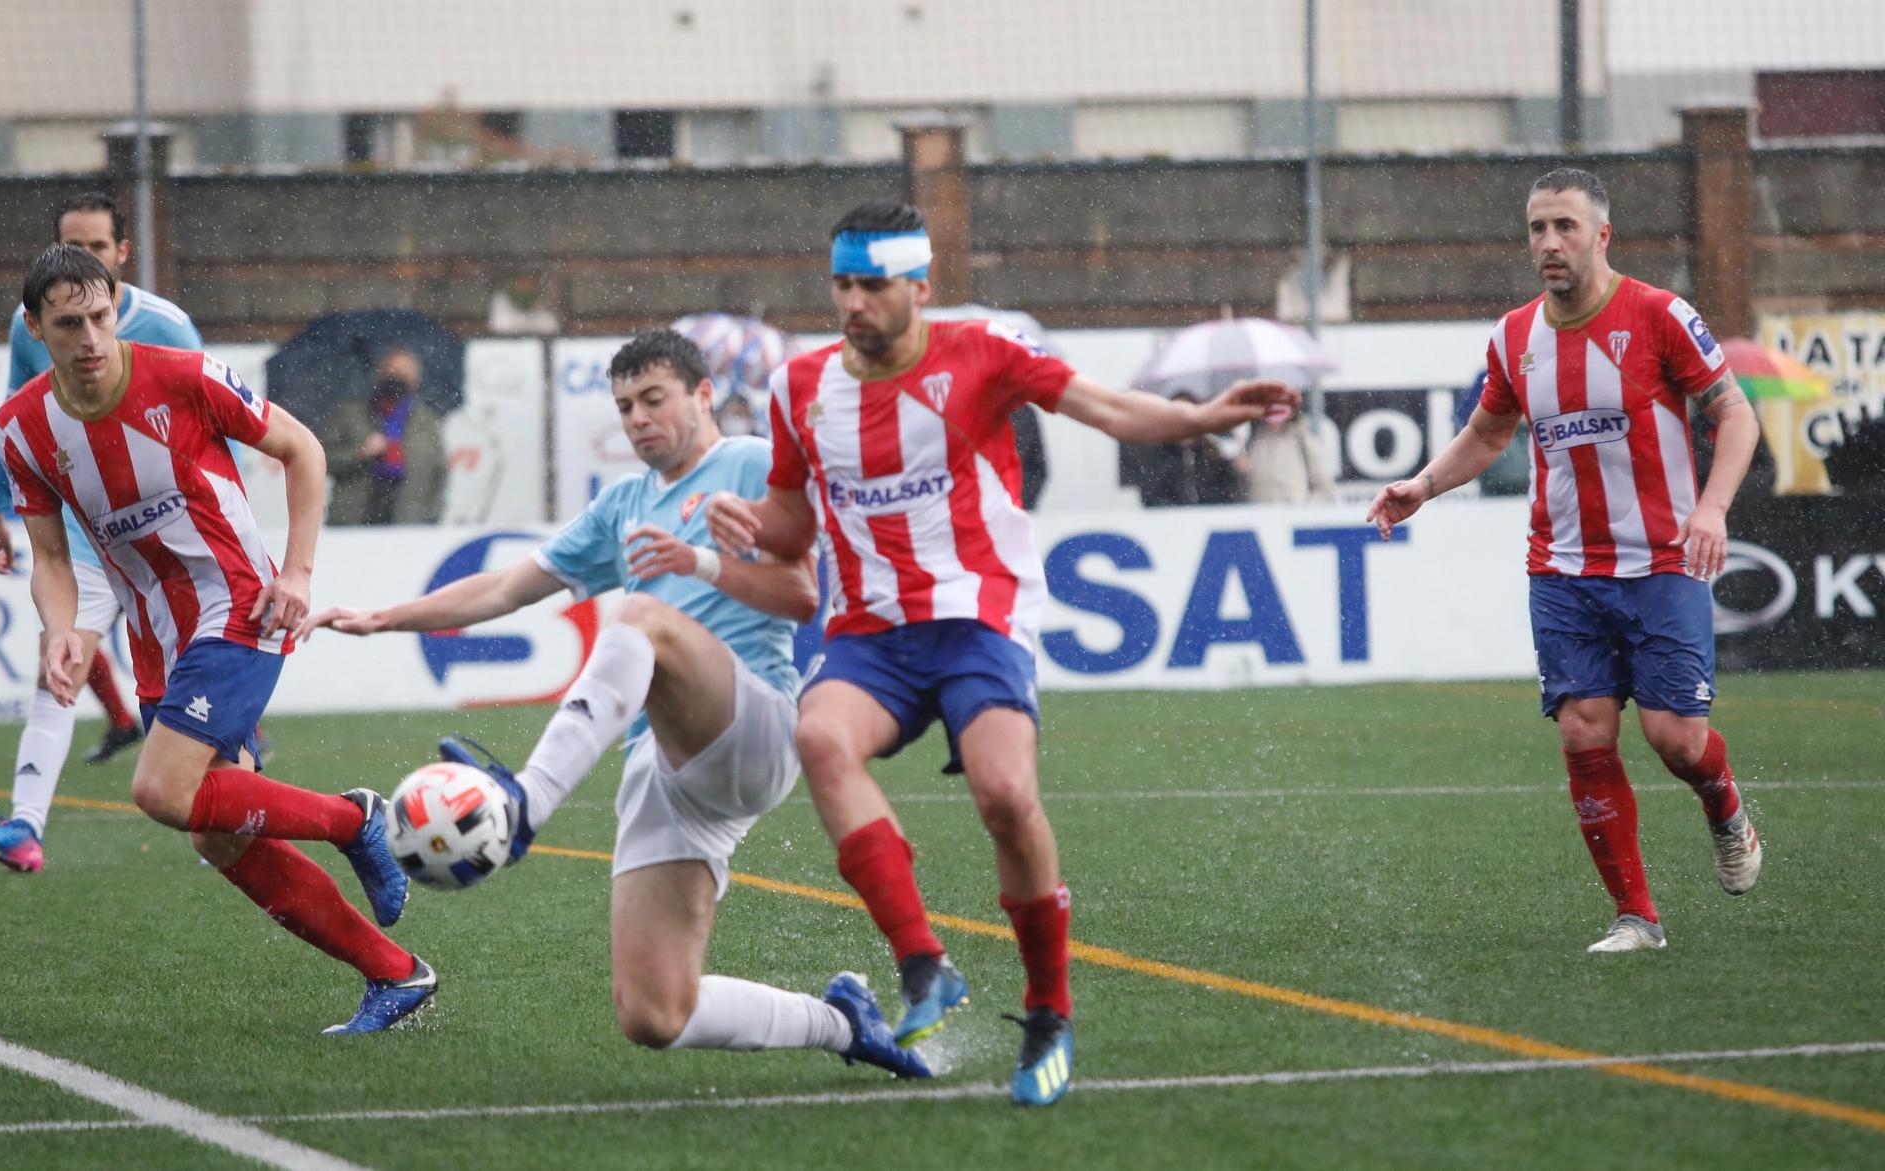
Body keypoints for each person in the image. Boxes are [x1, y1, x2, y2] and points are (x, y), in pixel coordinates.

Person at [705, 200, 1298, 1106]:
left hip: (978, 617)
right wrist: (750, 525)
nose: (853, 302)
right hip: (869, 629)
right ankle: (922, 965)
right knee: (820, 739)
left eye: (872, 285)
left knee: (1008, 797)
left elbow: (1107, 409)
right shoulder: (800, 387)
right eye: (842, 284)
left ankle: (1049, 1011)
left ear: (919, 286)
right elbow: (793, 518)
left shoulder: (981, 354)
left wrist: (1202, 416)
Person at [303, 328, 929, 1078]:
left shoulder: (753, 462)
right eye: (625, 405)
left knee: (638, 617)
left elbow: (803, 594)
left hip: (753, 726)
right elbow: (506, 586)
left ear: (704, 395)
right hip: (663, 767)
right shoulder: (625, 504)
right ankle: (840, 1021)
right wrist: (385, 617)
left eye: (654, 398)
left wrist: (702, 561)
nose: (637, 418)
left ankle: (525, 805)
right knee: (656, 1010)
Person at [0, 244, 428, 1033]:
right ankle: (394, 974)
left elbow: (303, 449)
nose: (89, 337)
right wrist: (62, 628)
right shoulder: (22, 429)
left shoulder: (182, 377)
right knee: (216, 834)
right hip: (157, 635)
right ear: (35, 327)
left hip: (239, 607)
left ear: (117, 306)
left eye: (100, 316)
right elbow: (53, 557)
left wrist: (296, 573)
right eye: (67, 324)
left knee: (160, 791)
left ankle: (356, 819)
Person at [1365, 168, 1764, 955]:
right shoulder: (1516, 336)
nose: (1549, 242)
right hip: (1562, 567)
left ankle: (1726, 811)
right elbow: (1487, 432)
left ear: (1602, 235)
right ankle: (1636, 917)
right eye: (1538, 228)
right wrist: (1423, 485)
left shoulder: (1659, 316)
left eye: (1565, 227)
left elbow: (1734, 412)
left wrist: (1711, 508)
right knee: (1585, 731)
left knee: (1676, 740)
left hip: (1660, 562)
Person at [0, 193, 204, 875]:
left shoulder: (168, 327)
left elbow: (221, 432)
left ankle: (237, 820)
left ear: (122, 253)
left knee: (198, 705)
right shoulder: (31, 327)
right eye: (74, 246)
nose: (86, 259)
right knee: (58, 662)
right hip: (82, 539)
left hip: (170, 543)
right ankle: (25, 825)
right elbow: (13, 417)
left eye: (99, 247)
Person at [322, 348, 448, 526]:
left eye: (405, 373)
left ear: (416, 380)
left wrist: (430, 515)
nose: (397, 378)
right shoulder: (351, 414)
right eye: (392, 371)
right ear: (379, 375)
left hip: (408, 522)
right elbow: (323, 460)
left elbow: (439, 473)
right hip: (353, 518)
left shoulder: (427, 421)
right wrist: (359, 454)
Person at [1118, 392, 1245, 507]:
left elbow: (1229, 494)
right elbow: (1151, 495)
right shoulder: (1159, 455)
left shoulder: (1213, 453)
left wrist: (1239, 473)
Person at [1241, 401, 1336, 504]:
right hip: (1257, 516)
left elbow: (1325, 488)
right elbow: (1241, 493)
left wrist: (1305, 509)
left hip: (1293, 516)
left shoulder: (1303, 440)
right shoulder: (1251, 441)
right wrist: (1241, 474)